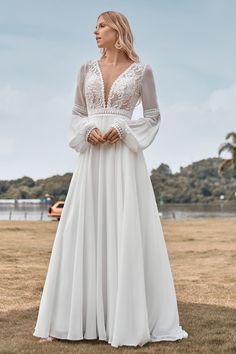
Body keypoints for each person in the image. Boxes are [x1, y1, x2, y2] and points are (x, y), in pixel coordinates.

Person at [33, 10, 188, 348]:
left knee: (123, 229)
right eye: (95, 27)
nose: (95, 31)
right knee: (82, 229)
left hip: (123, 159)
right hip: (91, 160)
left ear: (118, 30)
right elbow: (77, 113)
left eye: (101, 25)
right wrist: (87, 130)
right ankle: (72, 319)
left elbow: (153, 114)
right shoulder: (85, 70)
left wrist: (122, 129)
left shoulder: (142, 71)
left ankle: (126, 319)